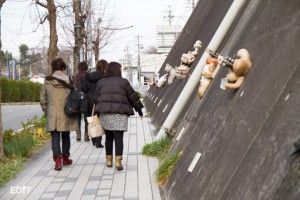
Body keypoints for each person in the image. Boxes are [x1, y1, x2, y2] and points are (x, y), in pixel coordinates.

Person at [94, 61, 144, 170]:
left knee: (108, 137)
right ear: (118, 69)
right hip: (120, 113)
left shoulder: (101, 82)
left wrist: (97, 113)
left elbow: (96, 99)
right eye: (121, 68)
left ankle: (108, 160)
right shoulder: (123, 82)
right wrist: (139, 110)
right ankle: (118, 161)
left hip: (105, 114)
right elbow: (132, 97)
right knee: (119, 137)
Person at [40, 58, 78, 171]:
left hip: (53, 111)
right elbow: (75, 96)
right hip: (67, 110)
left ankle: (57, 161)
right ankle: (66, 158)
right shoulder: (70, 80)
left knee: (55, 136)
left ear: (53, 68)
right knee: (66, 135)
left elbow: (42, 99)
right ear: (63, 68)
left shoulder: (47, 81)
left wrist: (47, 110)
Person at [81, 59, 108, 148]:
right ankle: (98, 142)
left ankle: (93, 138)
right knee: (99, 120)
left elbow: (84, 88)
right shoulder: (104, 77)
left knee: (92, 119)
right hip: (100, 99)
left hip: (89, 100)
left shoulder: (88, 76)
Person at [74, 61, 89, 142]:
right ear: (86, 68)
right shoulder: (88, 76)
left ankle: (78, 135)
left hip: (76, 100)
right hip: (86, 100)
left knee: (78, 118)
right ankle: (86, 136)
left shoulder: (75, 77)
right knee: (87, 118)